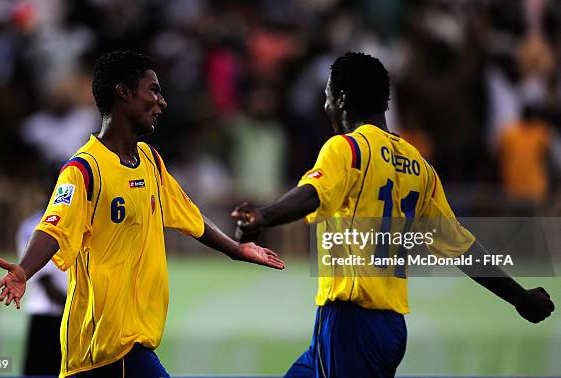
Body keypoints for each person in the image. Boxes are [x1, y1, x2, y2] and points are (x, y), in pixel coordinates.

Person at [231, 52, 555, 377]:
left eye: (328, 97)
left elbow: (312, 194)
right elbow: (461, 247)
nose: (325, 107)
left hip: (351, 319)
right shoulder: (420, 167)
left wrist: (262, 216)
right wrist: (518, 296)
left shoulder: (347, 148)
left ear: (341, 100)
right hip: (387, 327)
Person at [0, 50, 285, 378]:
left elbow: (190, 216)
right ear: (124, 92)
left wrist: (237, 249)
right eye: (154, 90)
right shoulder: (84, 169)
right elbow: (53, 227)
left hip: (130, 345)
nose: (162, 102)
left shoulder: (149, 161)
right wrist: (24, 271)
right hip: (105, 347)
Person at [16, 209, 67, 376]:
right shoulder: (33, 225)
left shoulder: (84, 217)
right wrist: (77, 306)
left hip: (74, 314)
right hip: (47, 315)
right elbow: (46, 280)